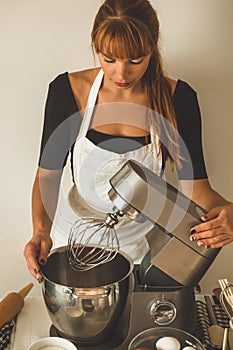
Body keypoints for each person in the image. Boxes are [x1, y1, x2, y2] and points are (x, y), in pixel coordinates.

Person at [24, 0, 233, 283]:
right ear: (95, 46)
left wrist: (229, 214)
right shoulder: (67, 92)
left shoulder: (178, 100)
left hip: (143, 250)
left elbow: (196, 190)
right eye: (109, 59)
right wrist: (40, 232)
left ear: (152, 48)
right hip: (74, 246)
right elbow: (47, 177)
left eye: (136, 60)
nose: (121, 74)